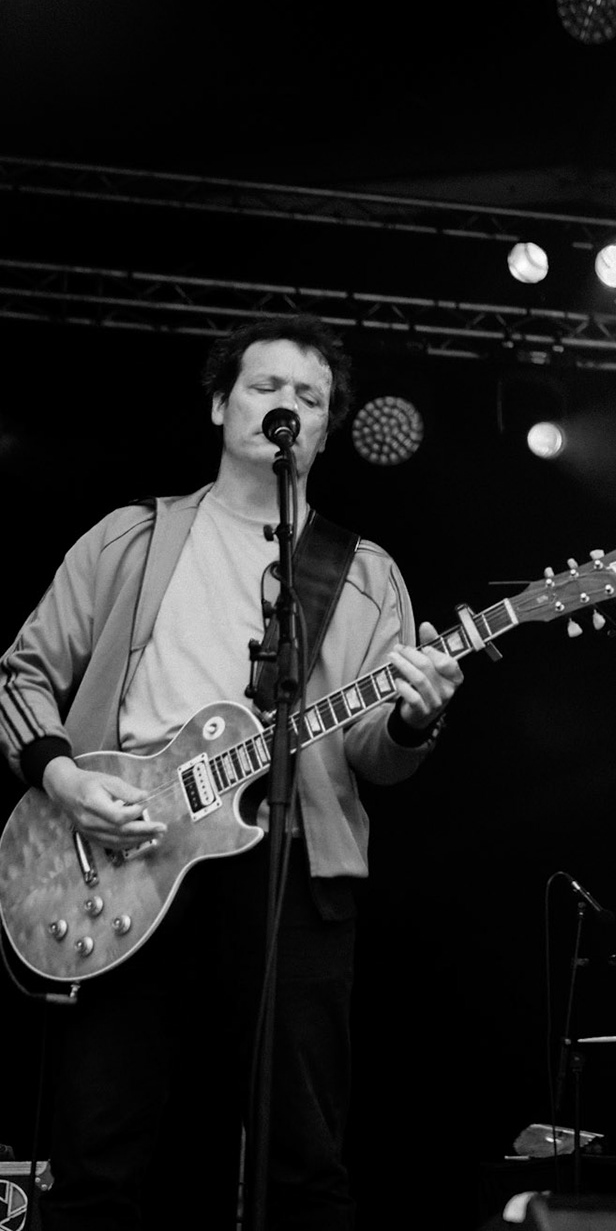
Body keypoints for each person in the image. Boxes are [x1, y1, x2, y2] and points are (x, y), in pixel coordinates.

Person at [0, 316, 463, 1229]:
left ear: (325, 429)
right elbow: (22, 676)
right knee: (98, 1158)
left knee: (306, 1164)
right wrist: (65, 782)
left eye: (309, 397)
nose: (286, 405)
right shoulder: (130, 538)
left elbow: (372, 755)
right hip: (125, 854)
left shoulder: (366, 574)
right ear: (221, 406)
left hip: (291, 869)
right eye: (265, 387)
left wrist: (416, 716)